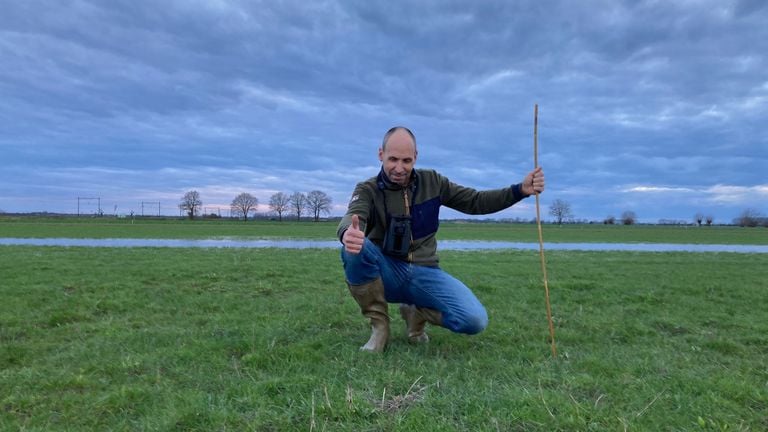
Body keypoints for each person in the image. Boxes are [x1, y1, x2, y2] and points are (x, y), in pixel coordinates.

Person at [337, 126, 545, 352]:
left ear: (416, 157)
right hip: (387, 272)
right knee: (353, 248)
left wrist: (519, 190)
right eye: (393, 159)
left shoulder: (433, 182)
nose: (399, 168)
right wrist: (348, 232)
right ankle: (380, 327)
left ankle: (416, 313)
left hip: (425, 272)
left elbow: (476, 201)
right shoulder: (367, 189)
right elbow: (354, 214)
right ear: (381, 155)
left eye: (406, 160)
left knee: (474, 320)